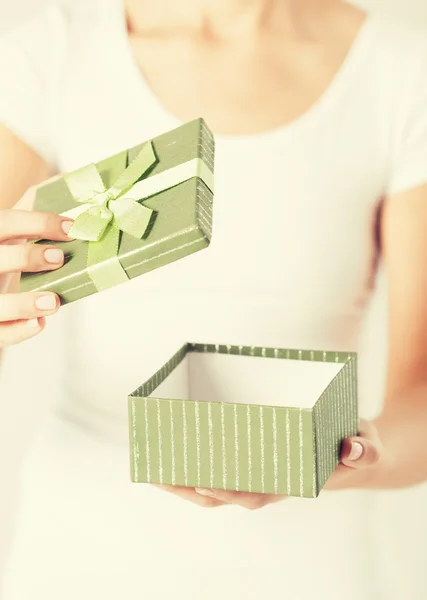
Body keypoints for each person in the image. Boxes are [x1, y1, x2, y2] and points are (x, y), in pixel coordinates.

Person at [0, 0, 427, 598]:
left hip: (312, 565)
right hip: (81, 550)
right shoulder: (49, 51)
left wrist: (355, 454)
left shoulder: (403, 70)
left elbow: (422, 402)